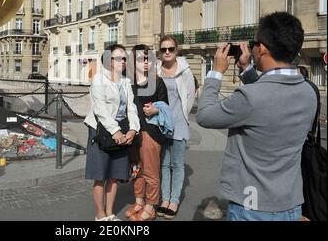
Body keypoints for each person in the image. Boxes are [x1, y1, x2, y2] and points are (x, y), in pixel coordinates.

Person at [197, 12, 317, 221]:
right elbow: (269, 102)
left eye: (254, 43)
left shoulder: (251, 97)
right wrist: (247, 70)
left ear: (261, 49)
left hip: (252, 206)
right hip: (290, 204)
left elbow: (205, 115)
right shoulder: (309, 92)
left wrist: (216, 72)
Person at [83, 44, 140, 221]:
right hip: (101, 132)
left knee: (115, 175)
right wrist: (115, 131)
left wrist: (133, 129)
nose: (123, 61)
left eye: (124, 58)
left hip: (122, 132)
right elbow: (100, 109)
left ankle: (110, 213)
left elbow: (132, 107)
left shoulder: (125, 81)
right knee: (101, 176)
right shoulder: (99, 79)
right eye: (118, 58)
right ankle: (100, 215)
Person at [124, 44, 169, 221]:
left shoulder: (157, 82)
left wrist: (156, 110)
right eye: (141, 58)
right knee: (136, 169)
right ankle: (139, 202)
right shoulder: (128, 81)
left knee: (151, 172)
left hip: (150, 133)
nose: (145, 62)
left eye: (148, 58)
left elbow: (166, 107)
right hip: (133, 133)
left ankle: (151, 206)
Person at [156, 35, 196, 219]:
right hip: (161, 123)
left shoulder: (185, 71)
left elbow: (189, 98)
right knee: (164, 164)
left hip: (178, 123)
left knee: (177, 164)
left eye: (170, 49)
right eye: (164, 49)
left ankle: (174, 200)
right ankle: (164, 200)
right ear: (160, 51)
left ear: (176, 50)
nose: (167, 52)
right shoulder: (155, 70)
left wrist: (181, 117)